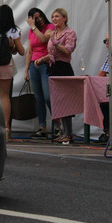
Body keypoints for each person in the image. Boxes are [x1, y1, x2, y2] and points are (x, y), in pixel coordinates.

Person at [39, 8, 77, 144]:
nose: (54, 19)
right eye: (53, 17)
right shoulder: (53, 33)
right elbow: (52, 54)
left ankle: (69, 132)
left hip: (64, 68)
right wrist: (43, 59)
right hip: (53, 68)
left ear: (64, 18)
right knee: (58, 102)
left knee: (66, 101)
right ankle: (64, 132)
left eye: (57, 16)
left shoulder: (70, 33)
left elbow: (67, 51)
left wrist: (54, 41)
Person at [0, 5, 25, 142]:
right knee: (5, 96)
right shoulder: (13, 30)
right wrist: (12, 45)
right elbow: (21, 51)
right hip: (6, 64)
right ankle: (6, 128)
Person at [25, 8, 55, 139]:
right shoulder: (31, 32)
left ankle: (58, 124)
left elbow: (43, 40)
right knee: (38, 98)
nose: (40, 20)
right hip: (34, 65)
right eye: (36, 18)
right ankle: (42, 127)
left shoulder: (50, 27)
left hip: (45, 64)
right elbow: (30, 51)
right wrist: (26, 70)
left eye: (41, 16)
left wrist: (33, 26)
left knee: (48, 96)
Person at [98, 33, 110, 143]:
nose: (106, 43)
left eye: (108, 40)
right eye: (105, 40)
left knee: (103, 102)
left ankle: (108, 132)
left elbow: (101, 74)